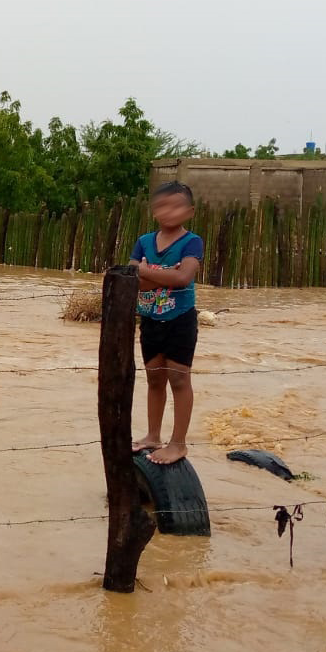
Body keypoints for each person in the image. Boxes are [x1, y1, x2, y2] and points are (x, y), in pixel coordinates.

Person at [129, 181, 203, 465]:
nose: (168, 212)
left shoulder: (192, 242)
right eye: (162, 206)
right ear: (154, 210)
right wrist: (162, 274)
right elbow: (133, 280)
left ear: (190, 211)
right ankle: (152, 435)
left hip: (180, 320)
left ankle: (178, 443)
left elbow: (184, 278)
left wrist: (148, 272)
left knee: (179, 379)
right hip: (149, 320)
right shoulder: (144, 241)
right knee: (154, 378)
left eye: (176, 206)